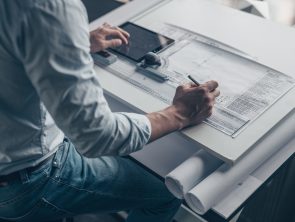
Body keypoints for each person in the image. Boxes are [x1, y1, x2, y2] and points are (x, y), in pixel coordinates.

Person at [0, 0, 219, 221]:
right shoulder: (47, 6)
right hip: (25, 180)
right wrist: (180, 113)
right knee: (166, 193)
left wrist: (61, 42)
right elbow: (97, 136)